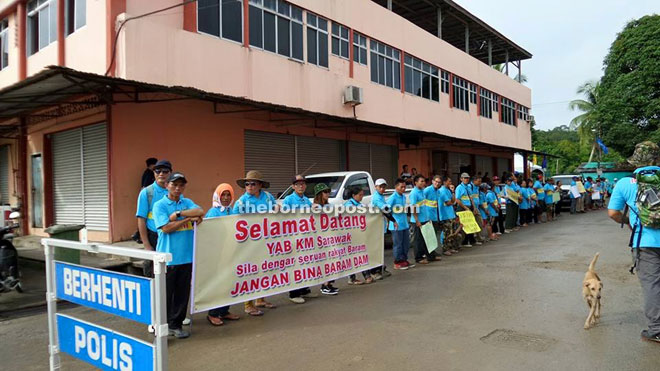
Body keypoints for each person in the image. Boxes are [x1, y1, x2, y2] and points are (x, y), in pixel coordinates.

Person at [608, 141, 660, 343]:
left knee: (652, 285)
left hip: (644, 242)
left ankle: (656, 329)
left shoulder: (624, 183)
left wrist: (629, 222)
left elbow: (613, 213)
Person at [153, 172, 204, 339]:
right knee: (165, 295)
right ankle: (161, 326)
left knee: (182, 294)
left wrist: (179, 215)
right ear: (167, 185)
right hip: (167, 259)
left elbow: (200, 211)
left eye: (181, 185)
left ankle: (176, 325)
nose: (177, 188)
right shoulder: (160, 205)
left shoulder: (186, 202)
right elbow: (166, 228)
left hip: (187, 257)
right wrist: (187, 219)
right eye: (174, 184)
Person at [233, 170, 279, 315]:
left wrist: (276, 210)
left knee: (264, 270)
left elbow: (276, 207)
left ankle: (260, 299)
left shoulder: (267, 197)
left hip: (265, 241)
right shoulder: (241, 202)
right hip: (249, 244)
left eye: (253, 184)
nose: (249, 186)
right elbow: (233, 222)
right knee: (250, 273)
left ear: (260, 185)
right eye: (247, 184)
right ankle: (248, 304)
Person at [205, 183, 241, 326]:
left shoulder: (231, 211)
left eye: (228, 195)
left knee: (228, 283)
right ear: (217, 196)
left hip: (230, 252)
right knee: (217, 284)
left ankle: (224, 310)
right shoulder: (213, 212)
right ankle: (213, 313)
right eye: (223, 195)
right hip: (217, 254)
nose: (225, 198)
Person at [136, 159, 172, 276]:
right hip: (154, 236)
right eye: (157, 171)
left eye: (165, 171)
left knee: (169, 272)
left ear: (170, 173)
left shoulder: (175, 191)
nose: (161, 174)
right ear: (153, 173)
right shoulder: (147, 192)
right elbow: (141, 219)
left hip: (171, 236)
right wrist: (146, 245)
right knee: (154, 274)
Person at [282, 175, 314, 304]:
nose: (301, 186)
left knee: (304, 263)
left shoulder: (306, 200)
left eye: (303, 184)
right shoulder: (288, 200)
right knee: (295, 265)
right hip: (294, 238)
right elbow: (284, 218)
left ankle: (303, 289)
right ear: (293, 186)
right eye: (298, 184)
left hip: (305, 238)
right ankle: (293, 293)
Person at [313, 183, 340, 295]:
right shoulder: (315, 206)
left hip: (330, 237)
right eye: (325, 192)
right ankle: (324, 285)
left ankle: (329, 283)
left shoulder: (329, 206)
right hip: (320, 239)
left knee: (332, 261)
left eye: (328, 192)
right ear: (319, 194)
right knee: (324, 262)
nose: (328, 194)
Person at [345, 186, 375, 284]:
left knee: (362, 254)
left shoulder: (360, 204)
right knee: (353, 256)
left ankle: (366, 275)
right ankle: (352, 278)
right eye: (360, 195)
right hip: (351, 235)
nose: (362, 197)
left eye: (362, 195)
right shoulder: (348, 205)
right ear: (353, 195)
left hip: (360, 234)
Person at [387, 178, 414, 269]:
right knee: (398, 245)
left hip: (404, 224)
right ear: (396, 187)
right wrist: (391, 221)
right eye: (401, 187)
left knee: (406, 244)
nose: (403, 189)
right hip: (396, 226)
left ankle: (404, 260)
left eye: (404, 187)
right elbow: (386, 210)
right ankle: (397, 262)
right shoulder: (392, 198)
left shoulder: (403, 197)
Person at [409, 174, 437, 263]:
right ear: (415, 182)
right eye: (421, 181)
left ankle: (430, 256)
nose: (423, 183)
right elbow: (414, 207)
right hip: (418, 220)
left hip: (425, 218)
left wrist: (428, 217)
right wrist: (417, 220)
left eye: (424, 181)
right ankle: (419, 258)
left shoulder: (423, 191)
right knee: (418, 240)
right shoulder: (414, 193)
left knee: (427, 238)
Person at [371, 179, 395, 279]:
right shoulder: (376, 197)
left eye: (384, 187)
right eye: (380, 187)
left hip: (380, 225)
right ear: (376, 187)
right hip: (375, 226)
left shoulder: (381, 196)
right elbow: (385, 210)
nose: (382, 189)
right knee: (376, 249)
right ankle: (374, 271)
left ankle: (380, 268)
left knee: (380, 249)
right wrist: (394, 220)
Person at [424, 175, 450, 256]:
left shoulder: (438, 192)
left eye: (439, 182)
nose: (437, 183)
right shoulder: (427, 190)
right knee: (427, 236)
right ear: (432, 181)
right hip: (427, 217)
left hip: (435, 217)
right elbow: (422, 203)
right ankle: (427, 254)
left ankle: (432, 252)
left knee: (433, 236)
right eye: (436, 181)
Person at [438, 176, 460, 254]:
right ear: (444, 182)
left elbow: (453, 200)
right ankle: (445, 249)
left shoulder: (448, 190)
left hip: (451, 214)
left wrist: (453, 192)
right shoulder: (442, 191)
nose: (450, 183)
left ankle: (450, 247)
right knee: (446, 232)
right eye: (449, 181)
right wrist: (452, 202)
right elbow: (448, 203)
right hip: (445, 215)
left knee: (451, 232)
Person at [455, 173, 475, 246]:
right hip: (462, 208)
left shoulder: (469, 187)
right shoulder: (459, 188)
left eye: (468, 178)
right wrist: (466, 208)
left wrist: (474, 207)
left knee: (470, 224)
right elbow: (457, 200)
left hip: (469, 207)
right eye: (465, 178)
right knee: (463, 225)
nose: (467, 179)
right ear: (461, 179)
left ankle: (471, 240)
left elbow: (471, 197)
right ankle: (464, 242)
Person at [470, 176, 486, 244]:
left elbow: (477, 198)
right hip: (472, 208)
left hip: (477, 208)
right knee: (473, 224)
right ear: (474, 181)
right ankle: (475, 239)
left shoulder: (477, 188)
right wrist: (473, 208)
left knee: (480, 223)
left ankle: (479, 237)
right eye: (479, 181)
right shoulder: (470, 187)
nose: (480, 183)